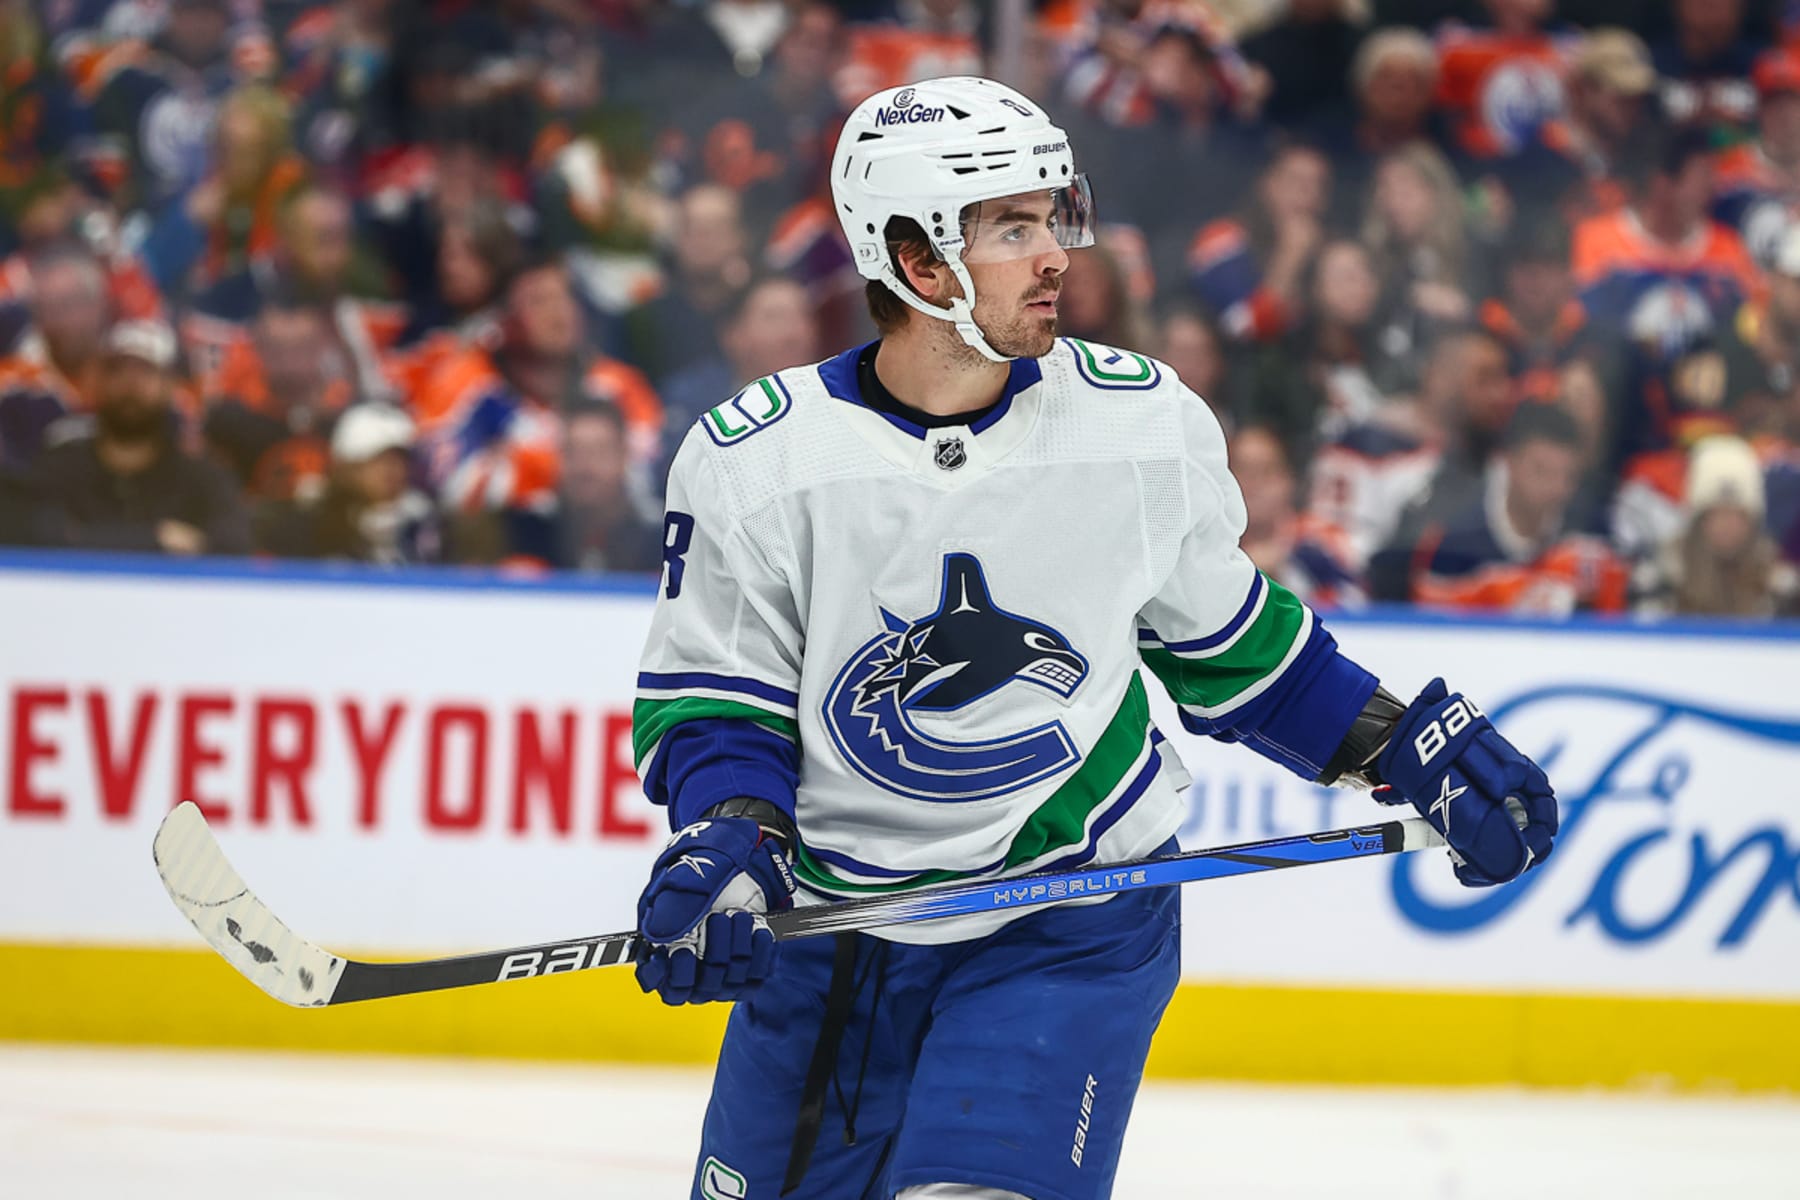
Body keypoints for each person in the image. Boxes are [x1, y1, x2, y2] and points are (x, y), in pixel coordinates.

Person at [628, 76, 1559, 1200]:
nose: (1058, 252)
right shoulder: (756, 462)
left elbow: (1235, 650)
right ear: (921, 263)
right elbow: (721, 701)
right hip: (829, 926)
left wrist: (1404, 745)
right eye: (1014, 228)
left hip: (1064, 917)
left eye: (1053, 216)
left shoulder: (1137, 425)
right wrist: (731, 837)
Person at [27, 320, 250, 555]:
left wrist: (88, 536)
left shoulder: (203, 479)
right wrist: (158, 538)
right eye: (118, 370)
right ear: (98, 382)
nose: (130, 384)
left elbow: (233, 545)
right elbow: (38, 534)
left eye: (146, 372)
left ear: (169, 385)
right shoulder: (60, 469)